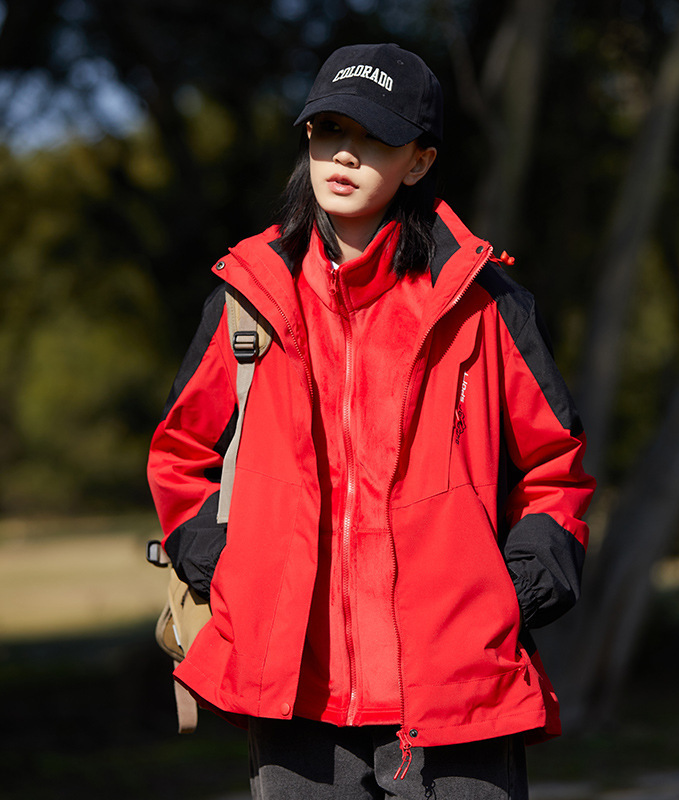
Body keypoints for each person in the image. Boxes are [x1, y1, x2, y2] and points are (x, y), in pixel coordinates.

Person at [147, 42, 595, 800]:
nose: (345, 155)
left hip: (458, 697)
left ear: (419, 162)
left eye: (375, 138)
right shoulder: (247, 298)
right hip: (295, 702)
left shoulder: (486, 302)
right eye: (329, 131)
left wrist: (508, 595)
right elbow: (179, 454)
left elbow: (558, 470)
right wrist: (230, 573)